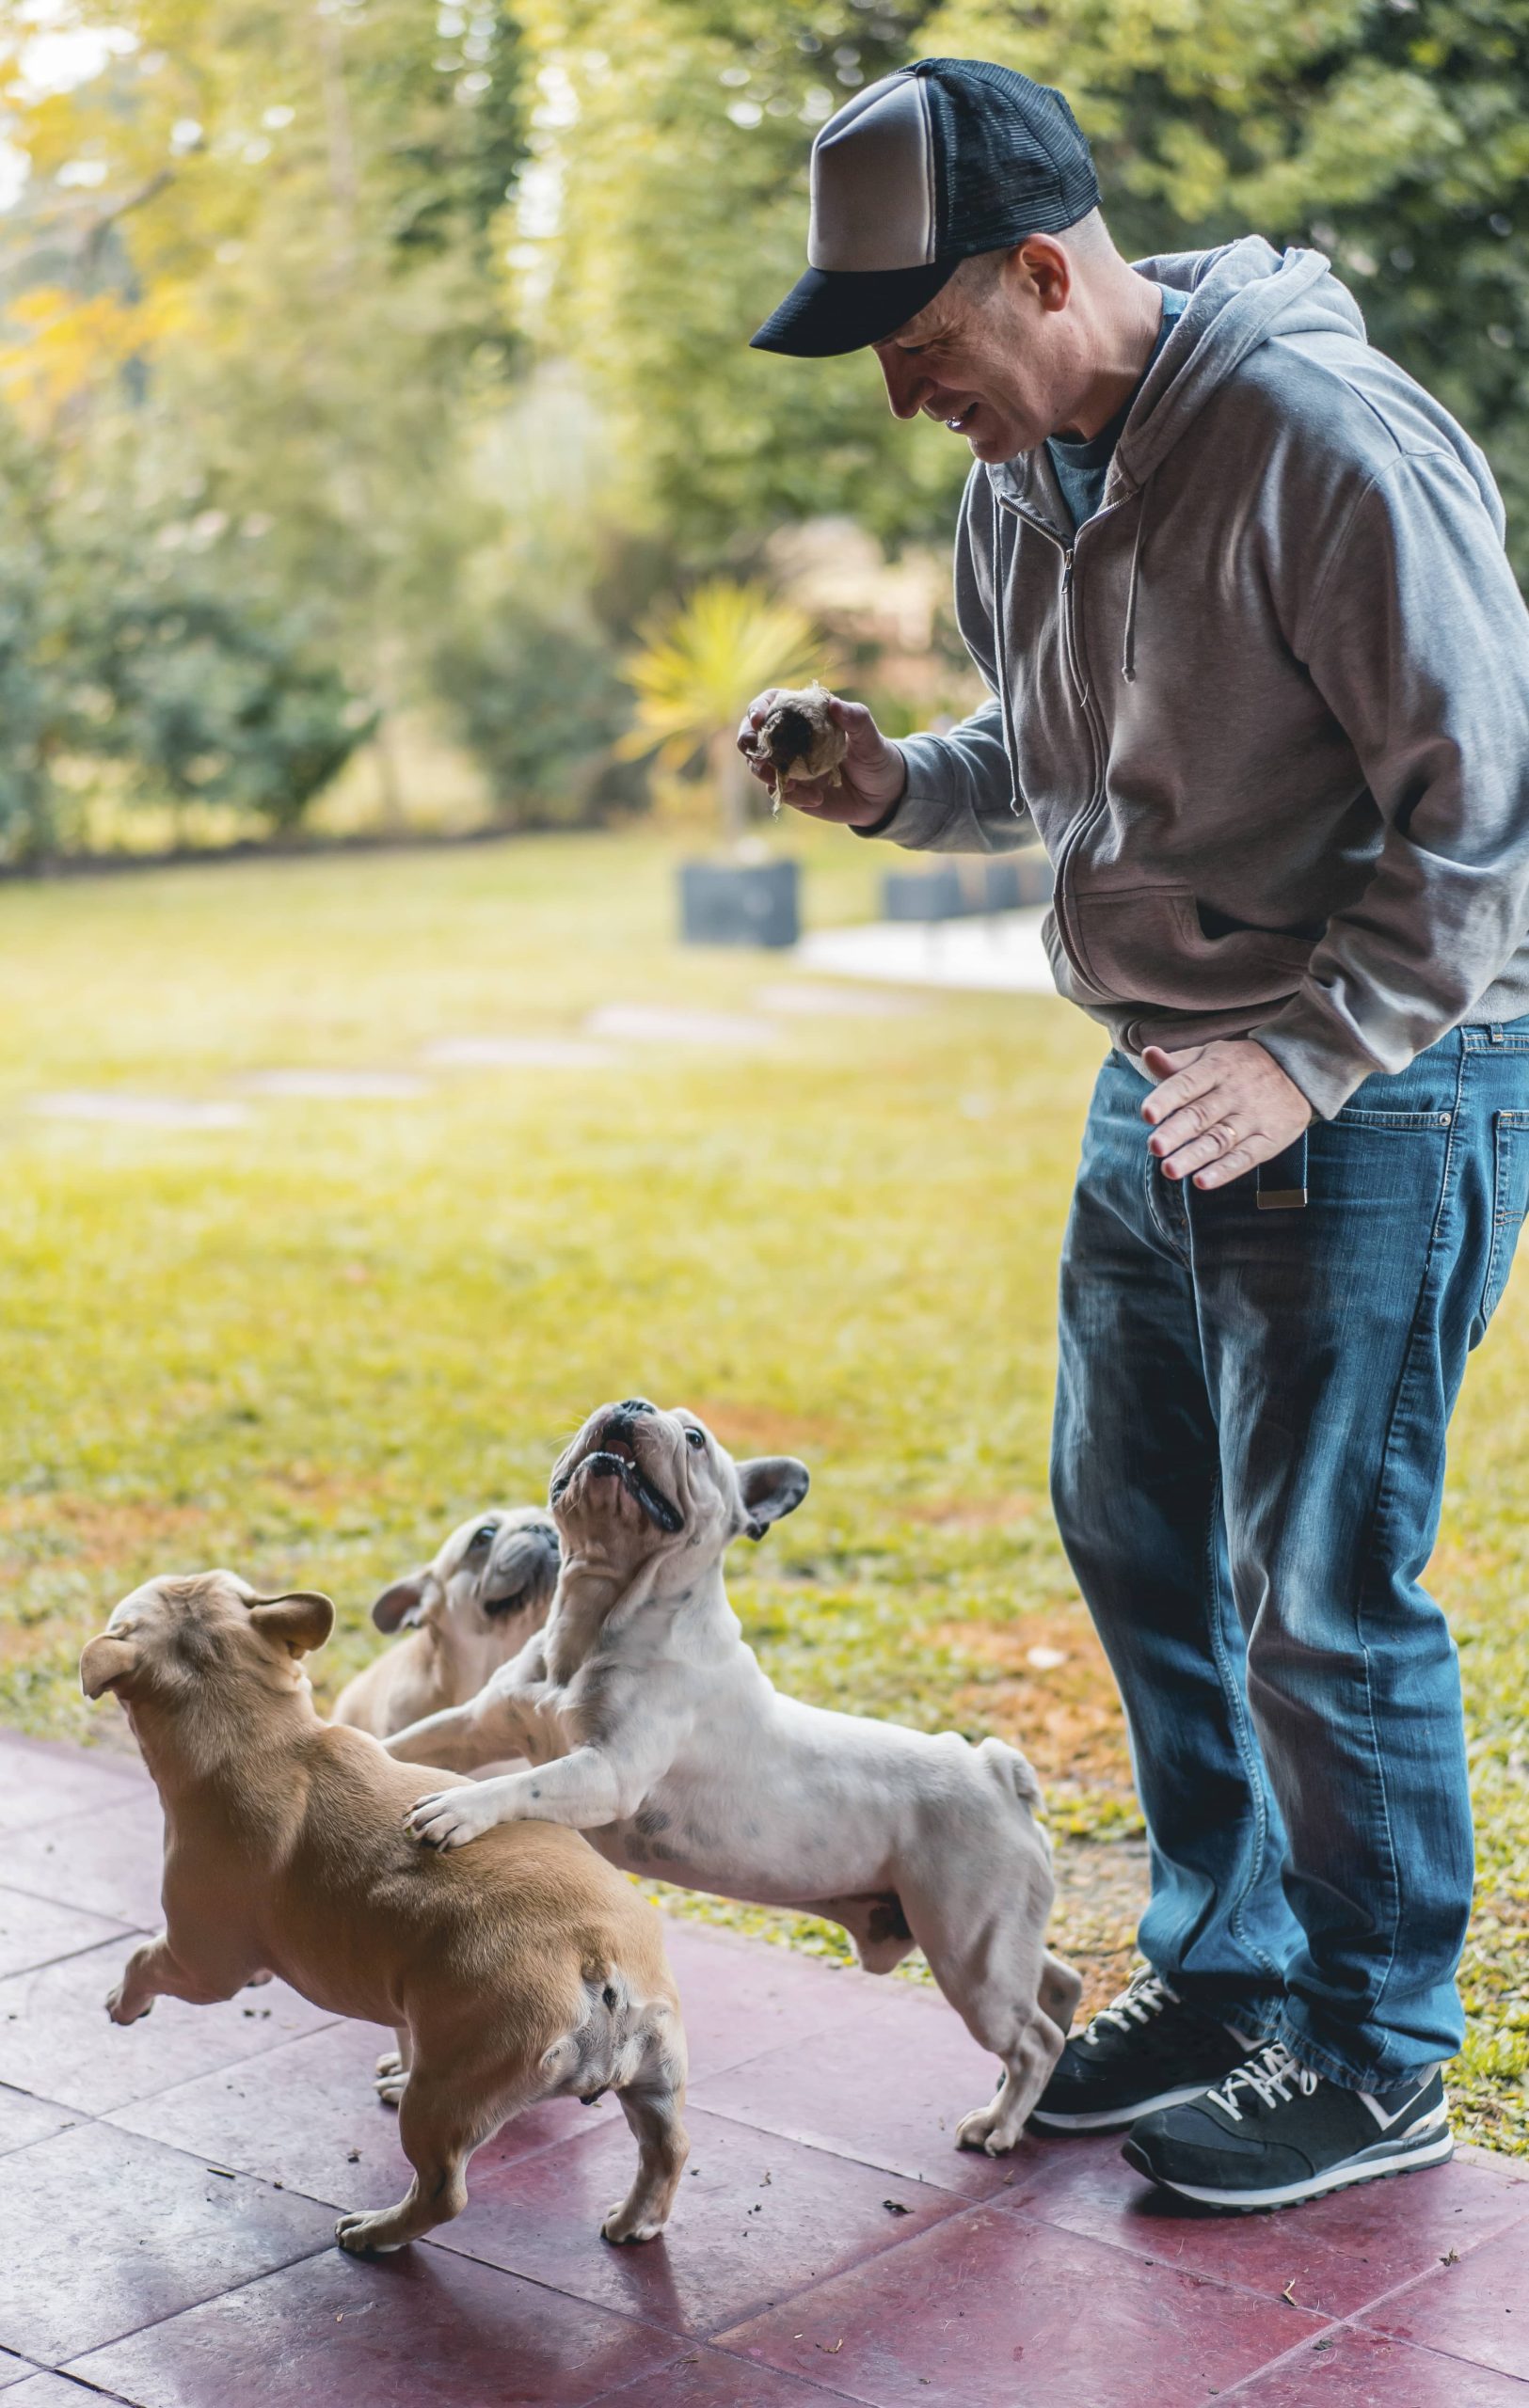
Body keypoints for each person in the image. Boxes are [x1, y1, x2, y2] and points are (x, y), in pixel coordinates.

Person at [741, 55, 1529, 2213]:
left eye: (924, 349)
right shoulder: (1033, 473)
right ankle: (1230, 1966)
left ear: (1044, 267)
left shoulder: (1322, 444)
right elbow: (1063, 750)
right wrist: (898, 778)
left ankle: (1373, 2054)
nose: (911, 402)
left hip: (1382, 1076)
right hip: (1164, 1075)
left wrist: (1317, 1043)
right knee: (1138, 1530)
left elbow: (1492, 811)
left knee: (1317, 1594)